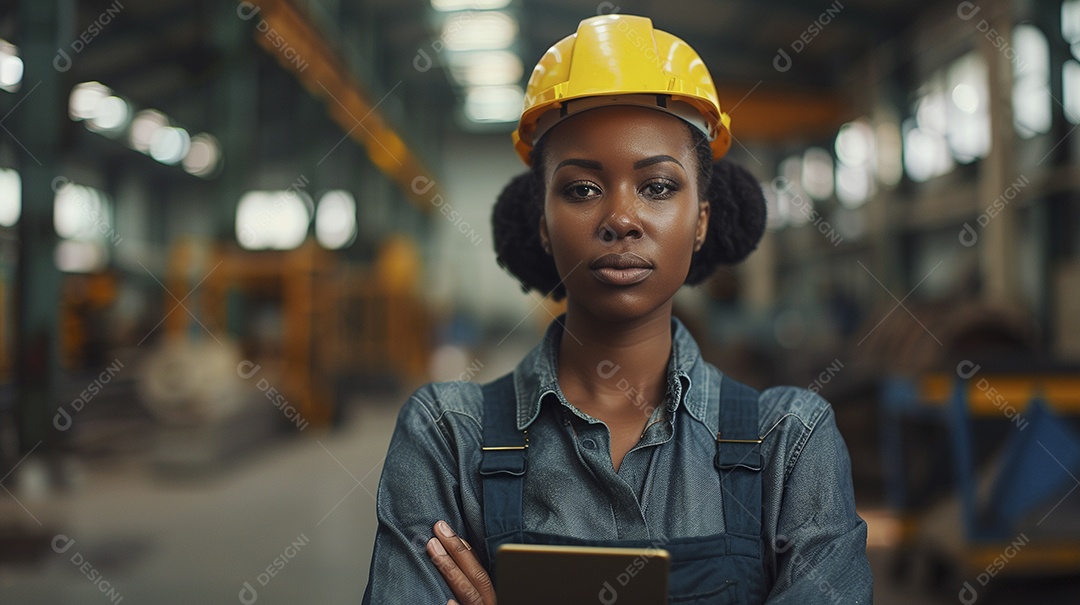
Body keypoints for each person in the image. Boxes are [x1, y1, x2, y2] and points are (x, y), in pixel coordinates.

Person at [362, 14, 872, 604]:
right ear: (544, 226)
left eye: (657, 187)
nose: (620, 219)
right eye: (581, 189)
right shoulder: (448, 437)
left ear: (701, 220)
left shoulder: (790, 442)